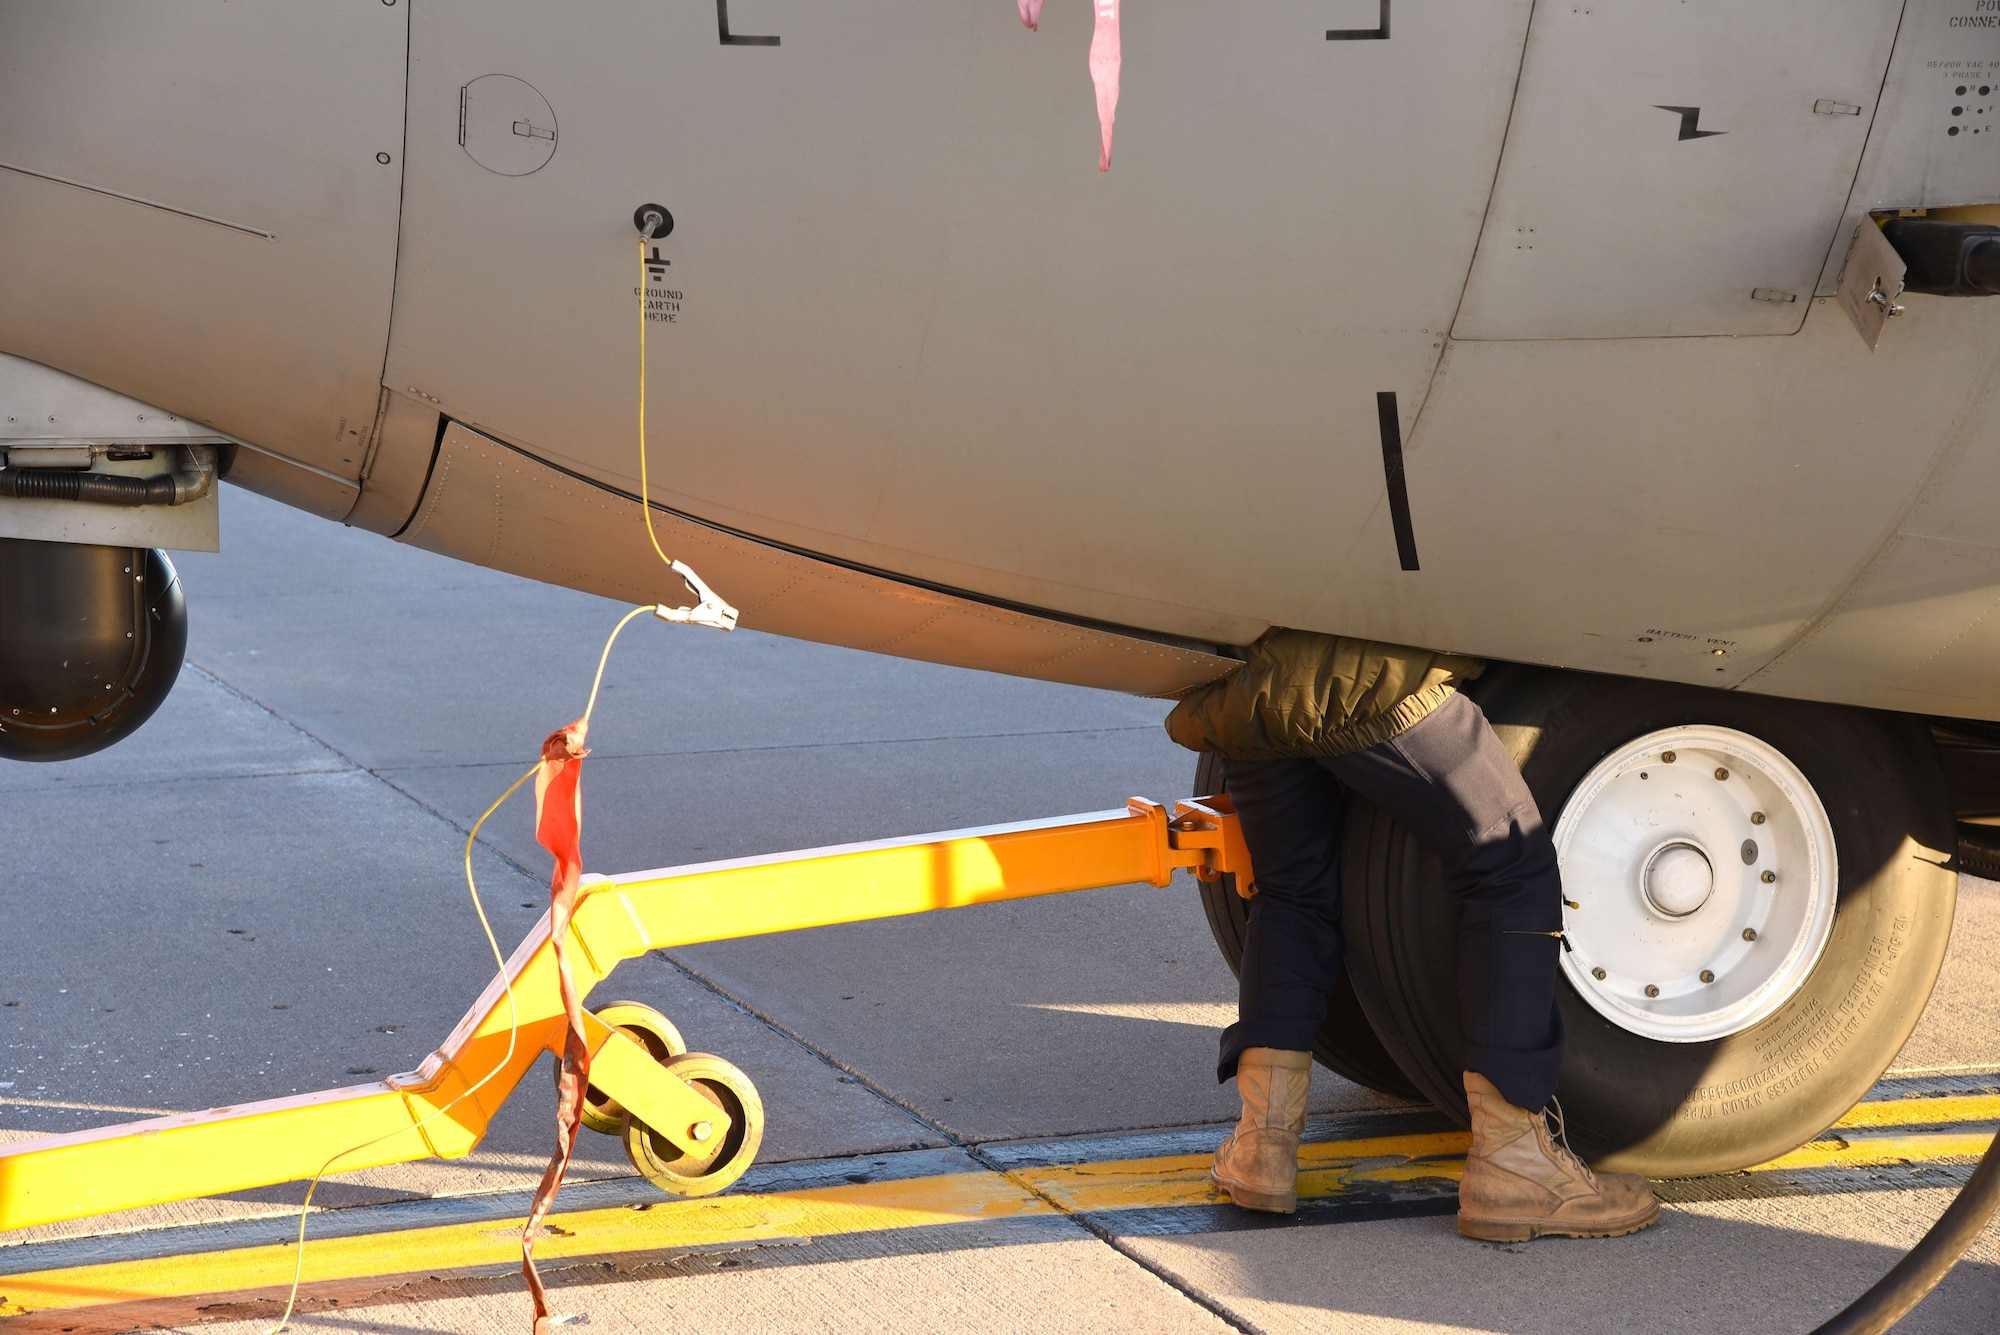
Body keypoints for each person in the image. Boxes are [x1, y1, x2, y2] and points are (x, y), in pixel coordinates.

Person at [1165, 630, 1659, 1241]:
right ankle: (1514, 1164)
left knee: (1291, 893)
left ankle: (1262, 1147)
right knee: (1511, 866)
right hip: (1362, 679)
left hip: (1248, 701)